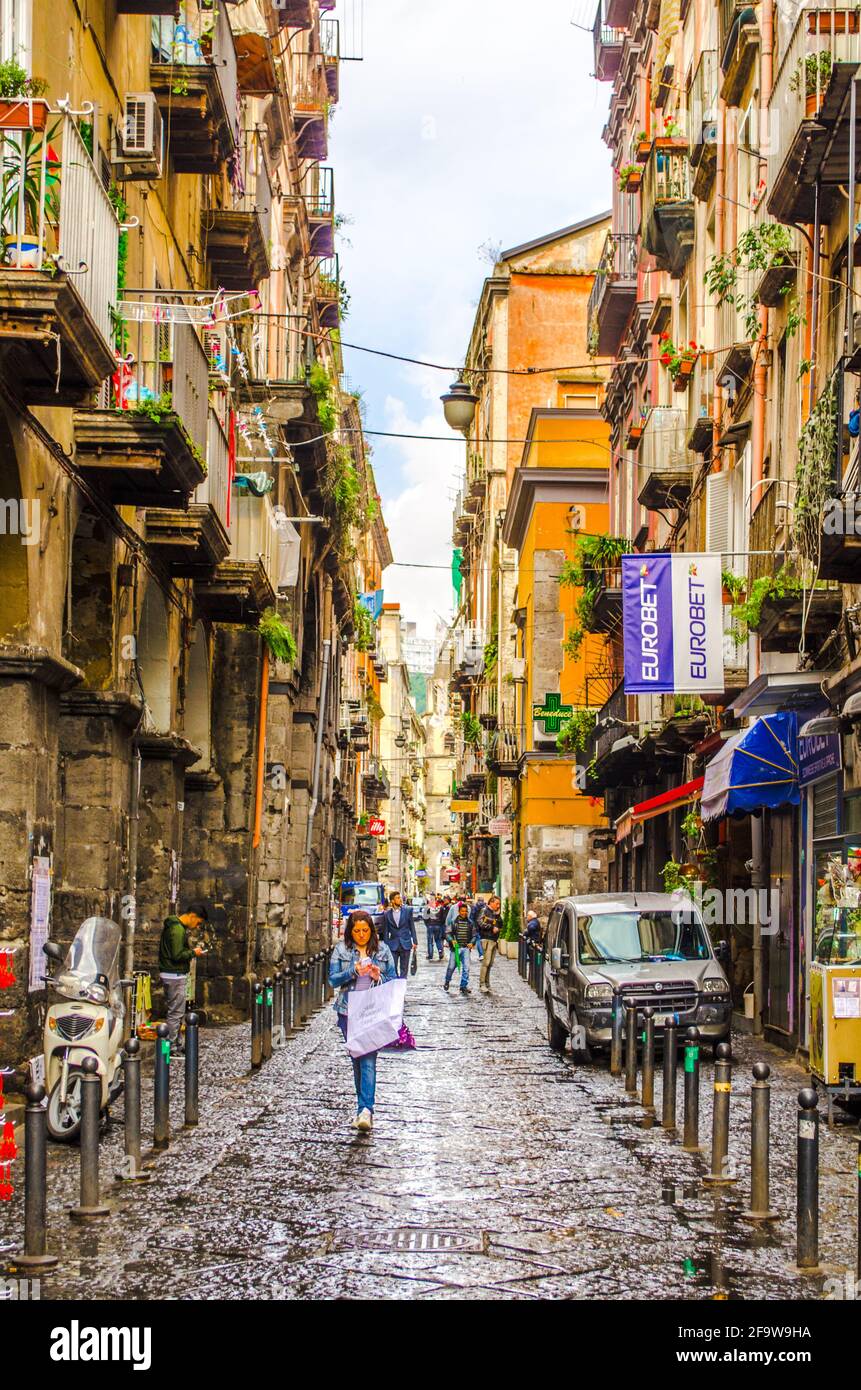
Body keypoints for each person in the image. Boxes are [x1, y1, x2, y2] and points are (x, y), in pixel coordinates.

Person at [328, 911, 396, 1131]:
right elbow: (332, 979)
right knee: (357, 1057)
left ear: (371, 930)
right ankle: (362, 1109)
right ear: (350, 931)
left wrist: (379, 976)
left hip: (373, 1011)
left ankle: (366, 1110)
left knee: (367, 1057)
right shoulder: (341, 949)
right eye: (356, 931)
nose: (361, 935)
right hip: (348, 1011)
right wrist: (352, 971)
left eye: (365, 930)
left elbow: (393, 979)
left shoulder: (383, 950)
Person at [158, 901, 207, 1051]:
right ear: (193, 916)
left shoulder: (174, 927)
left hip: (171, 973)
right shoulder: (177, 930)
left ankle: (178, 1043)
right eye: (198, 922)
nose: (197, 926)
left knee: (178, 1011)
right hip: (174, 974)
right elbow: (177, 955)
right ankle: (170, 1046)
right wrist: (194, 953)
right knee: (175, 1013)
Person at [381, 891, 418, 978]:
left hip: (406, 943)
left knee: (404, 968)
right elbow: (385, 931)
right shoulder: (387, 914)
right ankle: (396, 982)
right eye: (397, 898)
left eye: (400, 897)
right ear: (392, 901)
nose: (400, 899)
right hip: (393, 944)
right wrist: (386, 945)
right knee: (392, 967)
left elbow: (412, 927)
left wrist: (415, 941)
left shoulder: (407, 911)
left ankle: (402, 984)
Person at [444, 900, 478, 995]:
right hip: (455, 949)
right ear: (459, 911)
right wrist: (451, 940)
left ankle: (463, 986)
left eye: (466, 911)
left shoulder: (471, 923)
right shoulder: (453, 922)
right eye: (462, 911)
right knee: (451, 967)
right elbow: (447, 933)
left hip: (466, 948)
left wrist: (472, 942)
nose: (464, 913)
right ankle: (447, 981)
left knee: (466, 968)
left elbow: (475, 935)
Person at [473, 894, 503, 993]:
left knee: (490, 963)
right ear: (491, 902)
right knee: (486, 963)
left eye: (499, 904)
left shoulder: (494, 913)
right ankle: (482, 984)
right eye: (497, 904)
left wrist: (498, 915)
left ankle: (487, 982)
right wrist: (491, 927)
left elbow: (501, 924)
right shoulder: (484, 910)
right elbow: (479, 922)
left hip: (494, 939)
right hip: (487, 939)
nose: (498, 906)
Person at [426, 896, 447, 961]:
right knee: (438, 940)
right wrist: (440, 924)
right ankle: (440, 953)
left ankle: (430, 955)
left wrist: (427, 924)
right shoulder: (440, 908)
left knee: (430, 941)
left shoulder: (428, 908)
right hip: (438, 926)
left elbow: (425, 917)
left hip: (430, 926)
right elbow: (443, 918)